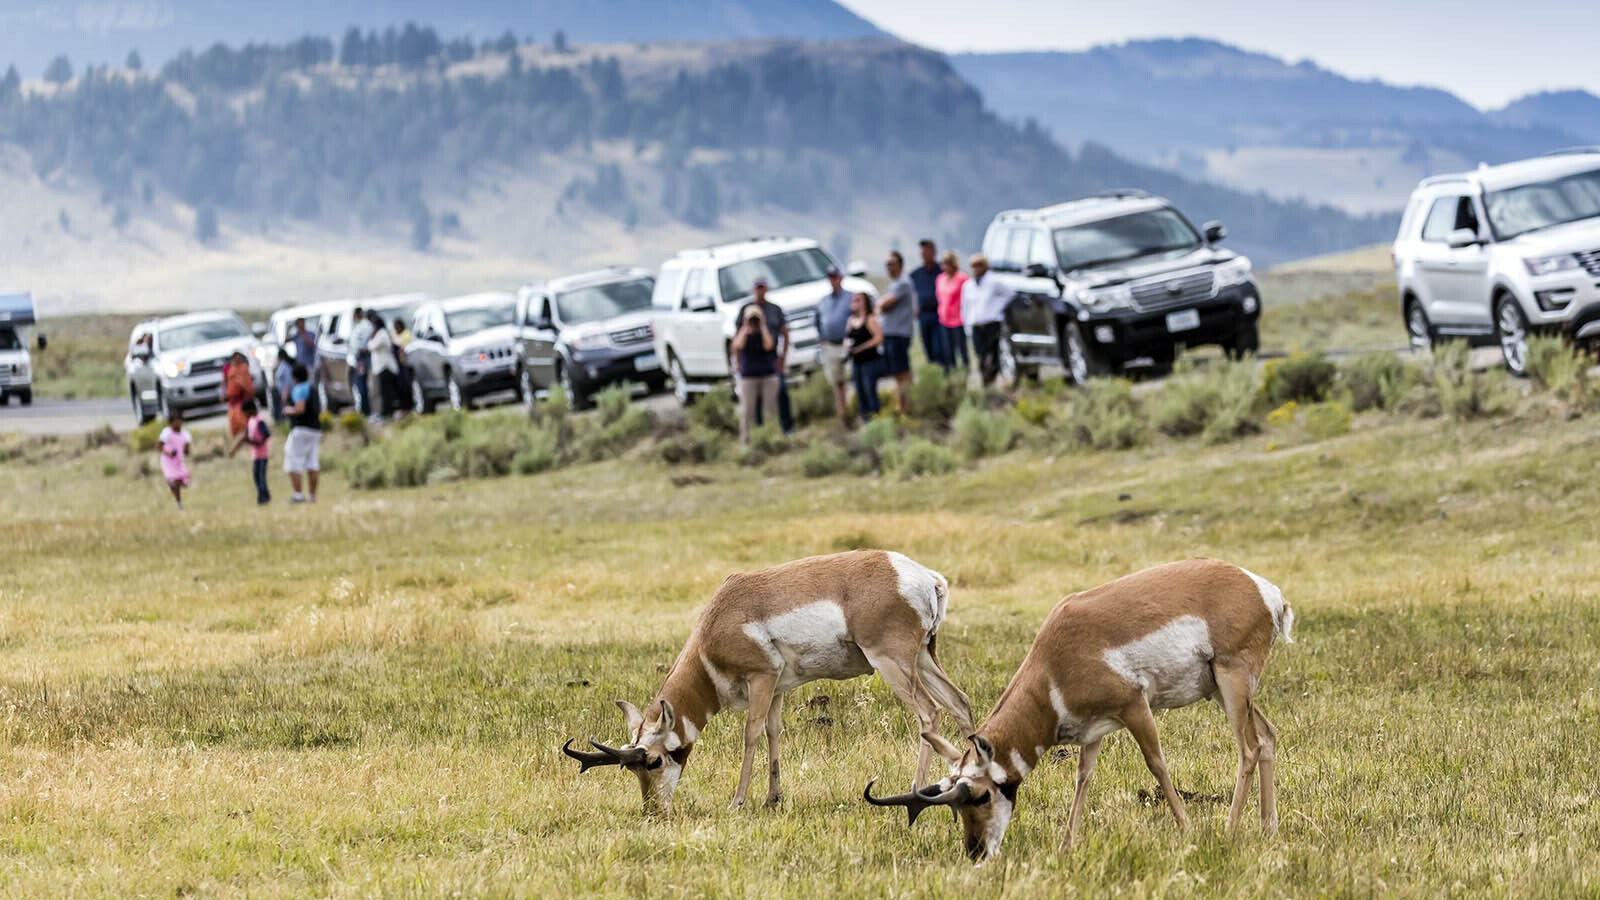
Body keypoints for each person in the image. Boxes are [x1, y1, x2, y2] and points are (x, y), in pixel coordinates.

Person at [732, 286, 782, 445]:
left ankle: (771, 440)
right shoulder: (744, 332)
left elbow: (769, 345)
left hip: (767, 374)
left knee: (770, 411)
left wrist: (762, 325)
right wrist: (746, 326)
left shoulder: (764, 331)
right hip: (748, 376)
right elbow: (736, 345)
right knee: (747, 413)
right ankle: (746, 443)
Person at [962, 253, 1014, 387]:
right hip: (976, 324)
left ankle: (991, 379)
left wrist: (998, 308)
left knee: (992, 352)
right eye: (974, 266)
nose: (976, 269)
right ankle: (985, 378)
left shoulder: (993, 281)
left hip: (992, 322)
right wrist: (966, 324)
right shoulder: (968, 285)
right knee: (981, 354)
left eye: (979, 265)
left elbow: (1009, 294)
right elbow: (965, 306)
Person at [877, 250, 916, 413]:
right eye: (887, 265)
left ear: (900, 264)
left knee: (903, 372)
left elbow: (884, 305)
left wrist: (880, 304)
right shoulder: (893, 284)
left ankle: (908, 405)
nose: (889, 268)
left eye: (892, 264)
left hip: (899, 333)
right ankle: (902, 404)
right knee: (897, 372)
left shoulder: (903, 283)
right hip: (891, 333)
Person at [815, 265, 854, 427]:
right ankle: (842, 413)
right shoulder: (823, 301)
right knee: (837, 381)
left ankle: (855, 409)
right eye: (830, 277)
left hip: (848, 344)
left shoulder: (850, 297)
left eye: (835, 277)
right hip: (830, 345)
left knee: (851, 378)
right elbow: (817, 322)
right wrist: (822, 338)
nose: (833, 280)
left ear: (841, 278)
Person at [282, 363, 322, 503]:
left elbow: (300, 409)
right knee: (312, 462)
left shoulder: (299, 389)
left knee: (293, 459)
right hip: (315, 429)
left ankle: (297, 494)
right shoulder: (312, 388)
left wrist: (288, 410)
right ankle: (312, 496)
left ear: (295, 377)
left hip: (301, 429)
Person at [845, 291, 885, 422]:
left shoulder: (870, 319)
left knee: (870, 390)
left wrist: (861, 348)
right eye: (853, 300)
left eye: (858, 300)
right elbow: (847, 337)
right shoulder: (851, 320)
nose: (854, 303)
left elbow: (878, 338)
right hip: (857, 361)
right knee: (859, 390)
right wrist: (847, 346)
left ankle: (876, 416)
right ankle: (864, 417)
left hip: (870, 360)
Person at [910, 239, 947, 370]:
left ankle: (944, 375)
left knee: (939, 348)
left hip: (939, 315)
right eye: (923, 252)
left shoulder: (942, 272)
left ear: (934, 252)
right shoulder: (915, 274)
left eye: (928, 251)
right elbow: (911, 295)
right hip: (923, 315)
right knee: (928, 349)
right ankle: (933, 375)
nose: (925, 254)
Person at [230, 398, 272, 505]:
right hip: (256, 455)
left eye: (245, 412)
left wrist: (256, 442)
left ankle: (264, 498)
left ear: (251, 410)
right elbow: (244, 437)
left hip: (263, 455)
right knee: (256, 476)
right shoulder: (251, 421)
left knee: (261, 476)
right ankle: (262, 496)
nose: (244, 415)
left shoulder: (259, 420)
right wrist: (234, 450)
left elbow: (266, 434)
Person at [936, 251, 970, 372]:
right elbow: (940, 298)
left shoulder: (962, 278)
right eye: (943, 264)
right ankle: (952, 376)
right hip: (944, 320)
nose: (944, 267)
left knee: (962, 350)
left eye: (947, 263)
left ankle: (965, 373)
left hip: (958, 320)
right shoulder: (940, 279)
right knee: (948, 351)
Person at [365, 312, 400, 421]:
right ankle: (384, 412)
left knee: (386, 393)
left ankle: (387, 413)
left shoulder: (382, 333)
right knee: (383, 392)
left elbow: (371, 346)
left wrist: (371, 337)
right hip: (381, 368)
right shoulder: (380, 333)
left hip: (385, 367)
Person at [157, 411, 192, 510]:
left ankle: (173, 487)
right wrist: (169, 453)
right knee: (175, 480)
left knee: (183, 482)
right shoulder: (166, 432)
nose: (177, 424)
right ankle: (179, 503)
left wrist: (186, 450)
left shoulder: (185, 434)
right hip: (168, 461)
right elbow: (159, 447)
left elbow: (187, 450)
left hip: (178, 462)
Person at [223, 350, 254, 439]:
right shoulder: (229, 369)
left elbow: (247, 386)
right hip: (233, 400)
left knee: (243, 421)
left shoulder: (243, 369)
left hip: (242, 399)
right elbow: (225, 382)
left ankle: (246, 437)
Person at [348, 307, 373, 416]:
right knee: (360, 385)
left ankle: (365, 410)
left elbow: (363, 344)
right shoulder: (359, 325)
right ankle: (364, 409)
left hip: (362, 358)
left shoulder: (365, 325)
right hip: (358, 358)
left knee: (362, 385)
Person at [392, 318, 414, 415]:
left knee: (407, 385)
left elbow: (405, 347)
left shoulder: (406, 334)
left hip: (405, 363)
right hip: (397, 364)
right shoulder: (393, 335)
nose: (396, 328)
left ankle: (410, 405)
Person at [272, 348, 293, 423]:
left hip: (285, 393)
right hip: (279, 392)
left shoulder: (286, 367)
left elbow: (288, 381)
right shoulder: (281, 366)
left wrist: (285, 394)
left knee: (285, 410)